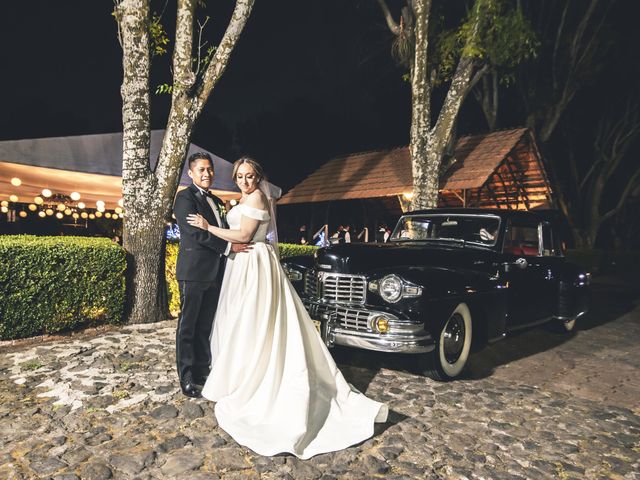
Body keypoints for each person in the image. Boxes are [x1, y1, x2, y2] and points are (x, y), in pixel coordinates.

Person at [187, 157, 388, 459]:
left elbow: (243, 236)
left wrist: (209, 227)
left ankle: (256, 379)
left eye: (250, 175)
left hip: (254, 264)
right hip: (241, 265)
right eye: (240, 176)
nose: (245, 181)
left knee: (254, 322)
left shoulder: (257, 198)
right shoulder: (245, 197)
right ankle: (239, 375)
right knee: (239, 321)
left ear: (258, 177)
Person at [172, 152, 250, 398]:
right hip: (193, 272)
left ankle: (202, 370)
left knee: (206, 325)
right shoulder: (184, 198)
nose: (207, 174)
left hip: (216, 272)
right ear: (191, 173)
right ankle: (186, 377)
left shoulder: (216, 200)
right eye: (202, 170)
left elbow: (222, 230)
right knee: (188, 327)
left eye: (210, 169)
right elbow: (196, 234)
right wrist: (228, 248)